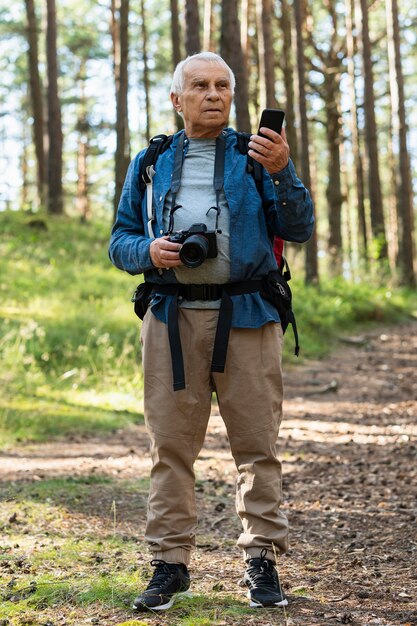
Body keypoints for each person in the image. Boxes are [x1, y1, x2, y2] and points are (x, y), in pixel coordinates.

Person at [109, 51, 314, 611]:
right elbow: (120, 241)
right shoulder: (151, 162)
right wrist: (148, 249)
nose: (214, 94)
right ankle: (170, 565)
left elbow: (299, 226)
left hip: (247, 315)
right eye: (199, 86)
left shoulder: (257, 158)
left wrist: (284, 172)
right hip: (171, 319)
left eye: (222, 85)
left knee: (257, 446)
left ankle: (262, 562)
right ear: (177, 100)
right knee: (170, 448)